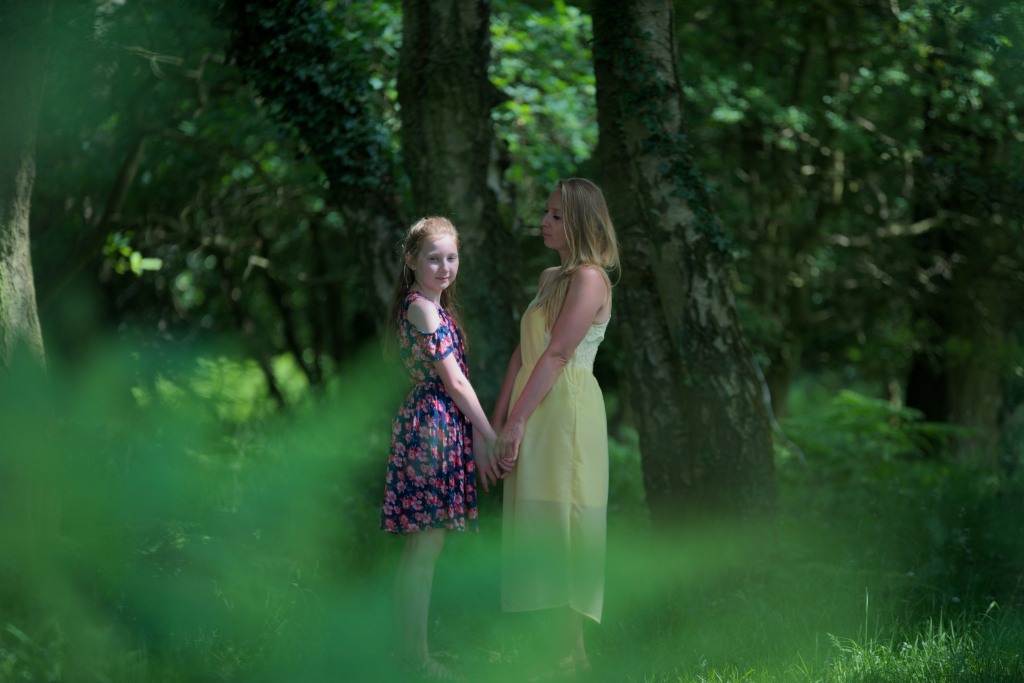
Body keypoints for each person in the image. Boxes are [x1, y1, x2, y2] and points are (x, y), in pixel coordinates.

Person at [492, 178, 619, 678]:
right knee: (537, 522)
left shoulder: (591, 278)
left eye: (557, 216)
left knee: (566, 523)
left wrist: (517, 422)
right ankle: (560, 651)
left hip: (566, 410)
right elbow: (523, 353)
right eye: (546, 212)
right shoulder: (550, 277)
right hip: (533, 402)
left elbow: (560, 354)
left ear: (582, 222)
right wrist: (499, 419)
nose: (544, 222)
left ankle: (570, 654)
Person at [380, 216, 501, 680]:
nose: (445, 267)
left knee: (421, 552)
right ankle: (417, 659)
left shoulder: (432, 307)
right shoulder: (423, 310)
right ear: (411, 260)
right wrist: (489, 435)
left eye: (452, 257)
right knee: (423, 553)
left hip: (437, 425)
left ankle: (407, 653)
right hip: (430, 432)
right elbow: (455, 383)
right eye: (434, 258)